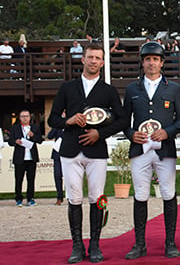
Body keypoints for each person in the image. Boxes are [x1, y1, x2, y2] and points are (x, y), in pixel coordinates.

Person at [47, 43, 128, 264]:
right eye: (90, 57)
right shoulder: (67, 88)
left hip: (96, 152)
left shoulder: (108, 91)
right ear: (82, 59)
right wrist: (68, 121)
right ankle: (76, 245)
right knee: (74, 197)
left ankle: (94, 244)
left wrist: (99, 134)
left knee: (97, 197)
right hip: (70, 150)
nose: (93, 61)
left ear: (103, 62)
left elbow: (122, 120)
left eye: (98, 58)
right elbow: (52, 119)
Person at [123, 42, 180, 260]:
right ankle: (139, 243)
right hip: (140, 148)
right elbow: (124, 120)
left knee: (168, 193)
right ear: (143, 62)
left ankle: (170, 242)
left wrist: (167, 132)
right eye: (147, 59)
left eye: (155, 59)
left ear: (162, 62)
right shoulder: (132, 89)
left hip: (164, 149)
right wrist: (132, 134)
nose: (151, 63)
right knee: (141, 194)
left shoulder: (174, 88)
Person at [8, 110, 43, 207]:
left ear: (29, 117)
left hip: (31, 158)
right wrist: (16, 141)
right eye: (23, 116)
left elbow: (40, 140)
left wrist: (33, 136)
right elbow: (10, 141)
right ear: (19, 118)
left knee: (31, 179)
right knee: (19, 179)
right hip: (20, 157)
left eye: (26, 116)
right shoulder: (15, 128)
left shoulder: (35, 127)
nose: (25, 118)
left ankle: (30, 198)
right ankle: (18, 198)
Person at [47, 126, 65, 205]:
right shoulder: (58, 126)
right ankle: (59, 197)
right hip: (57, 154)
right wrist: (57, 127)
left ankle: (73, 197)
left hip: (70, 153)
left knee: (71, 176)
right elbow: (50, 136)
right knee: (57, 175)